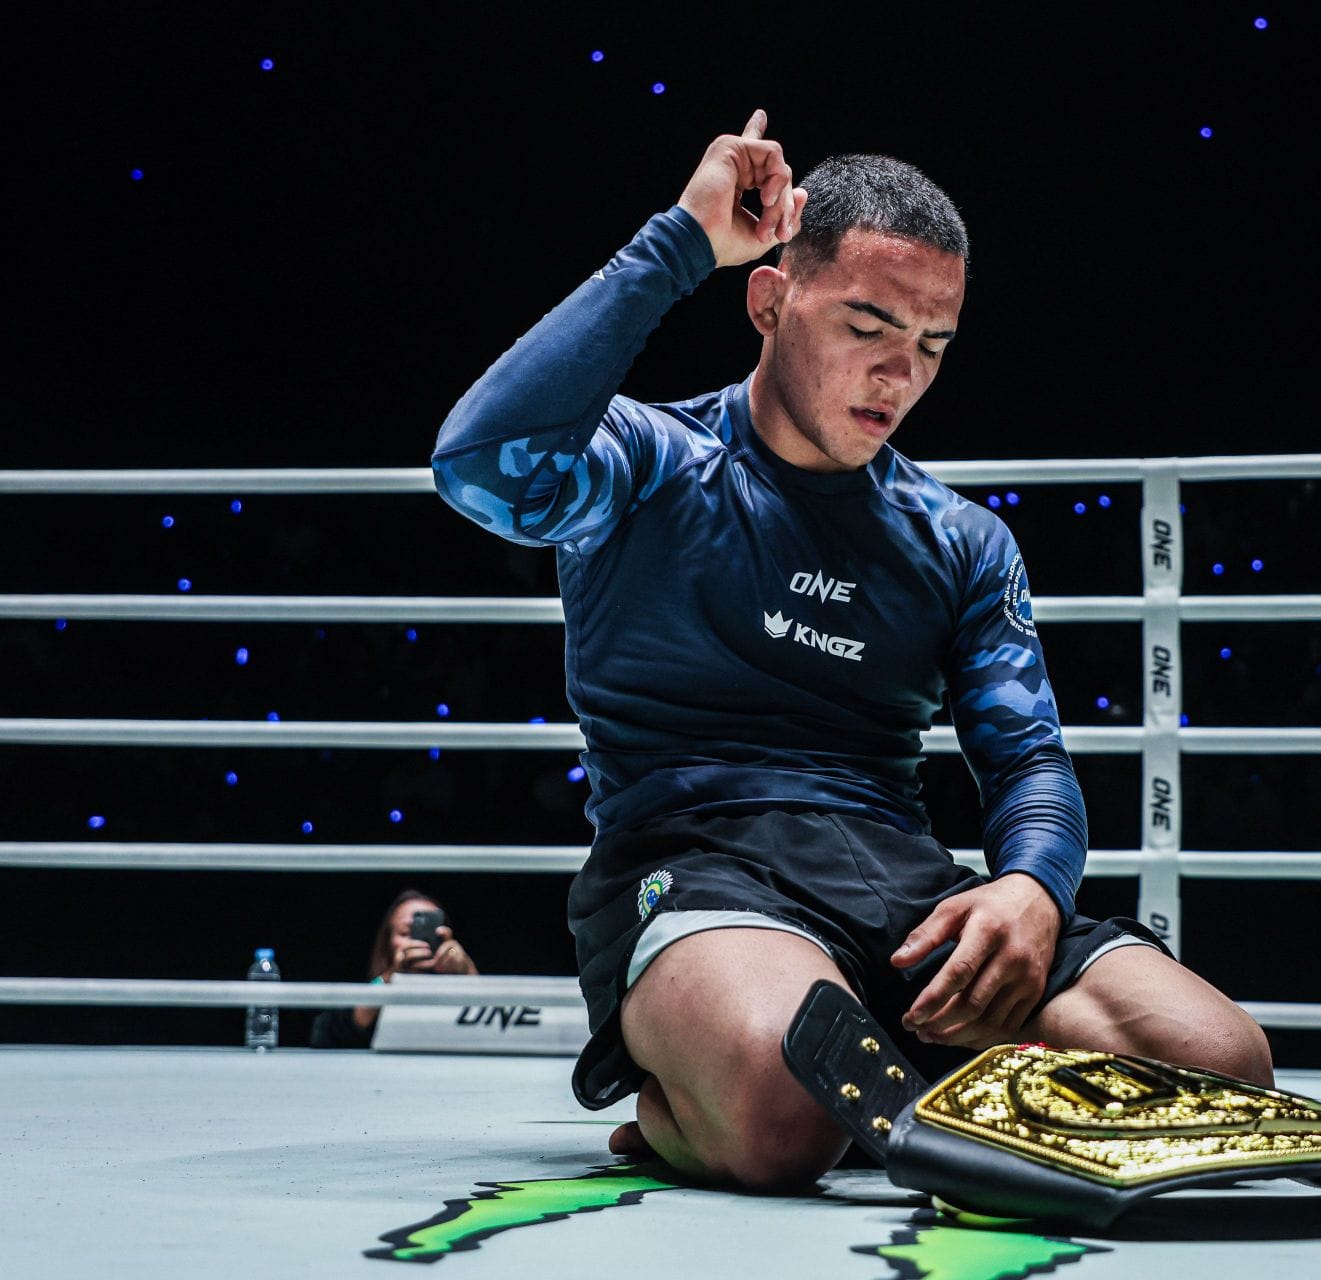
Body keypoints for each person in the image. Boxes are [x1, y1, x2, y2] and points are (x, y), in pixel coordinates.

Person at [429, 109, 1271, 1190]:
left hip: (899, 887)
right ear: (770, 302)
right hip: (695, 871)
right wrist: (677, 243)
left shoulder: (962, 539)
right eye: (867, 325)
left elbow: (1028, 762)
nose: (898, 375)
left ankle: (869, 1064)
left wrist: (1032, 889)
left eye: (932, 346)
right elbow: (478, 464)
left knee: (1222, 1066)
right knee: (783, 1117)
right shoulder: (652, 462)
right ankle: (684, 1099)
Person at [309, 888, 478, 1048]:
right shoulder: (379, 985)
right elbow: (325, 1034)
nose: (418, 941)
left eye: (432, 933)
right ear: (388, 942)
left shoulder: (460, 986)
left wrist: (467, 970)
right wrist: (392, 976)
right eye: (405, 933)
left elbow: (488, 1026)